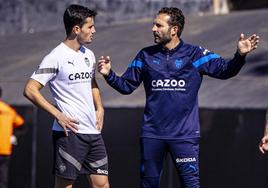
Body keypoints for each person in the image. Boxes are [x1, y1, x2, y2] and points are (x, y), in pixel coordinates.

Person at [98, 7, 259, 188]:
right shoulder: (145, 55)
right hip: (152, 135)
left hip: (184, 136)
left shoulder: (195, 54)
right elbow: (126, 86)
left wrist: (240, 56)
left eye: (159, 25)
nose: (153, 29)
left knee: (190, 185)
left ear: (174, 29)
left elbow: (225, 70)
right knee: (148, 184)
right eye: (153, 25)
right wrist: (109, 74)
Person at [24, 4, 109, 188]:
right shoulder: (55, 57)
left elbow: (91, 82)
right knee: (65, 186)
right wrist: (58, 114)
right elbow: (30, 89)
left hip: (93, 133)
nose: (94, 30)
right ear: (76, 29)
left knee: (102, 184)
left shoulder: (89, 55)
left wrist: (99, 107)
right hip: (69, 133)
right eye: (90, 27)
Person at [0, 86, 24, 188]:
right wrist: (13, 136)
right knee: (2, 179)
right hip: (5, 150)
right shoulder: (9, 110)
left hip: (4, 151)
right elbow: (22, 125)